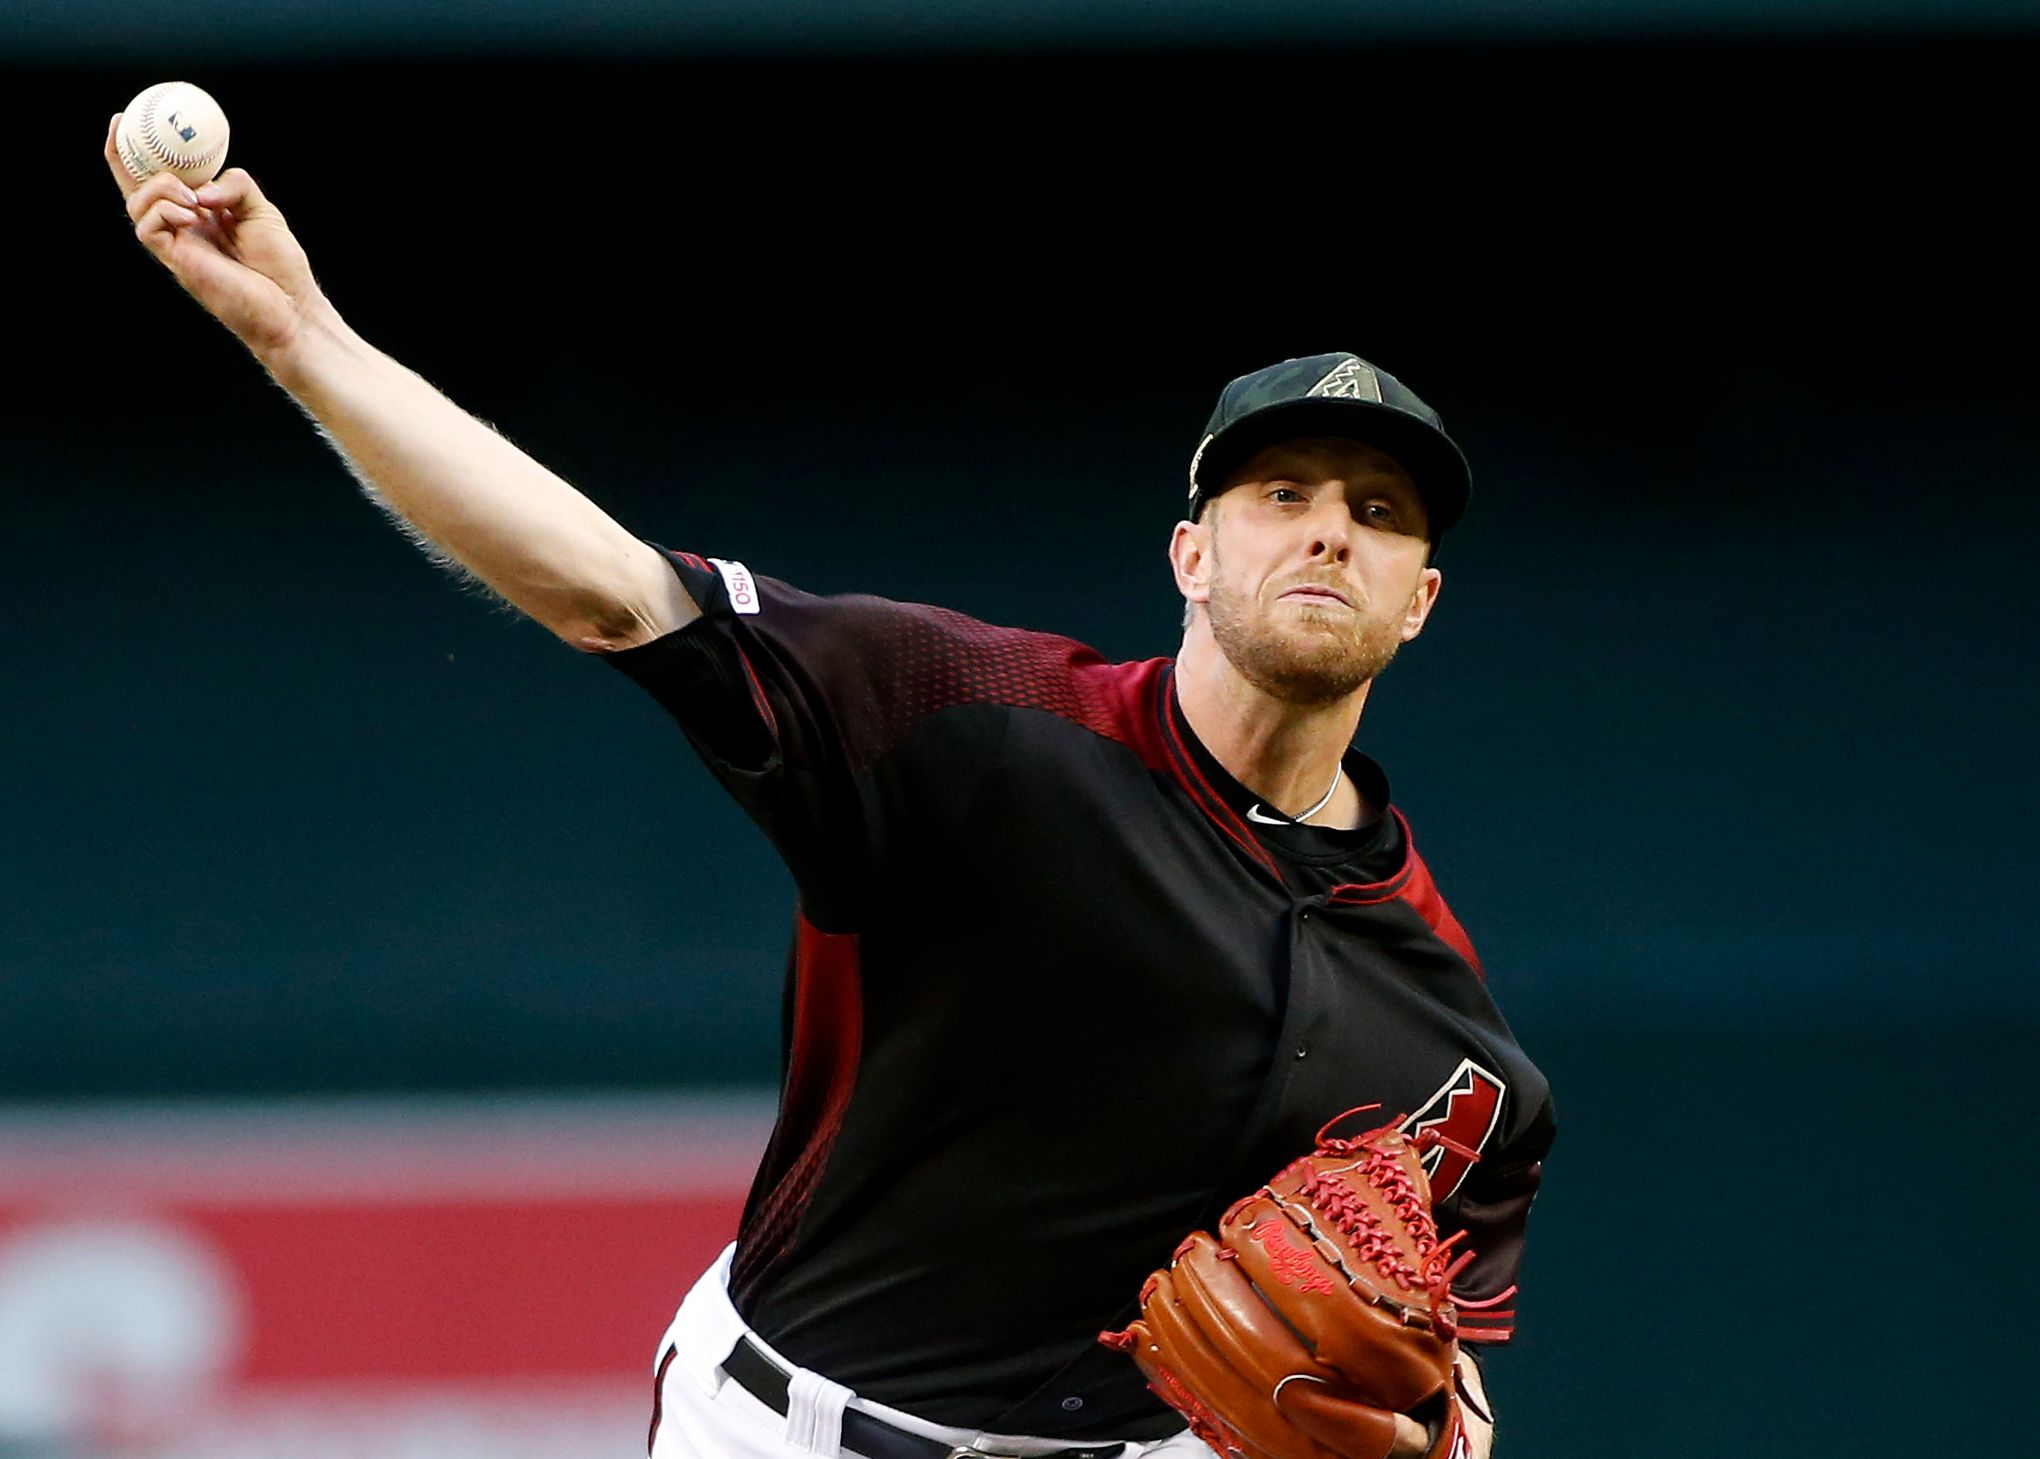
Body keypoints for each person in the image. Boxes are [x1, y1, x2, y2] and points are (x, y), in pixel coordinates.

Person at [107, 130, 1554, 1459]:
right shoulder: (977, 727)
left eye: (1378, 515)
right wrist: (303, 338)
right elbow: (614, 591)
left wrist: (1440, 1431)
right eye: (1282, 496)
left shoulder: (1445, 1026)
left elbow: (1448, 1363)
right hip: (791, 1431)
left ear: (1420, 600)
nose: (1328, 537)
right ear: (1191, 556)